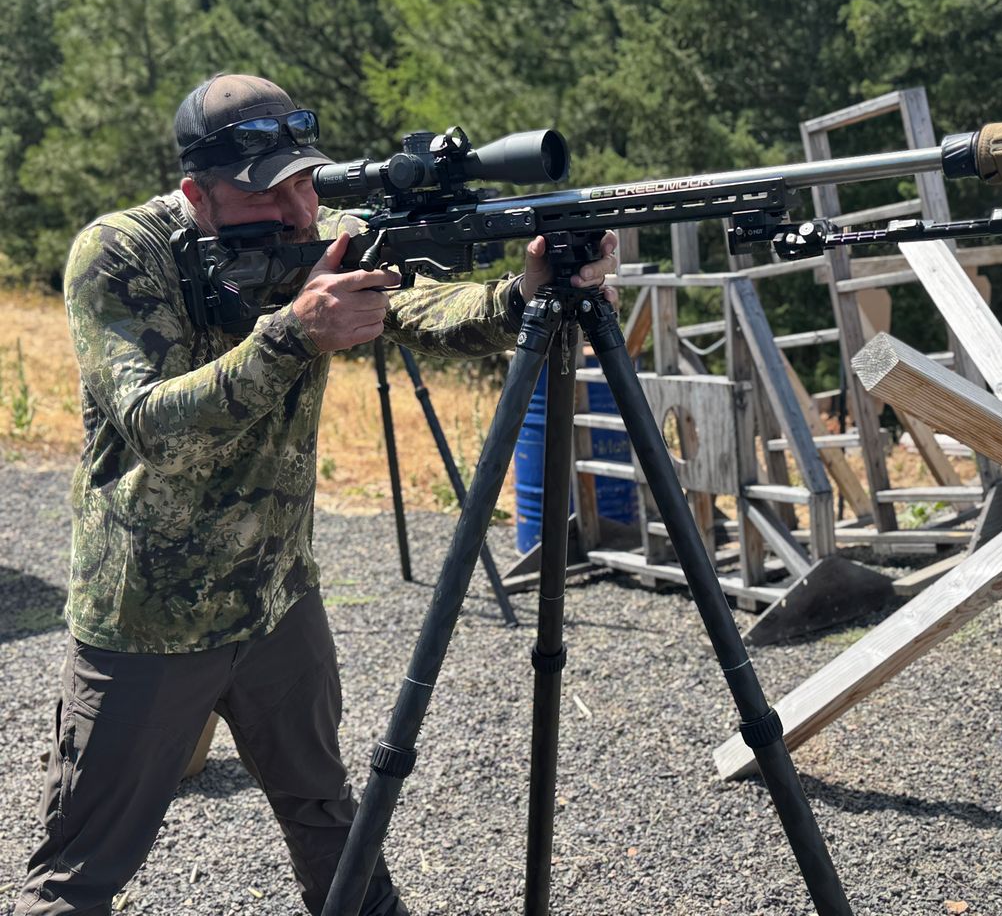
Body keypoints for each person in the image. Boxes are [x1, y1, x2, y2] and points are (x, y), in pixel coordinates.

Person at [16, 73, 619, 916]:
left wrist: (522, 295)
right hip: (148, 616)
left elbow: (425, 306)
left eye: (307, 179)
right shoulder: (121, 253)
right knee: (81, 873)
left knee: (332, 820)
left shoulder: (325, 228)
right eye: (272, 193)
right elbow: (153, 424)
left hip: (277, 598)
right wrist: (293, 335)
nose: (303, 212)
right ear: (197, 193)